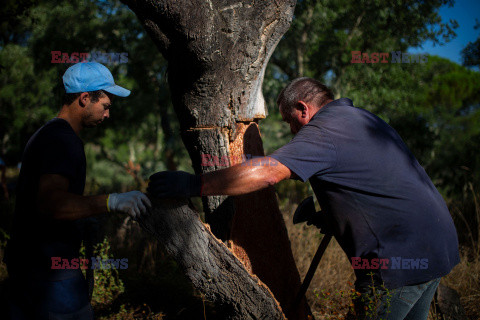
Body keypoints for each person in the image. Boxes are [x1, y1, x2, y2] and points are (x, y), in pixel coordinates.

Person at [147, 77, 460, 320]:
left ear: (302, 109)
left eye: (289, 121)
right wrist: (336, 215)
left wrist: (194, 184)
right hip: (437, 247)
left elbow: (269, 172)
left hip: (397, 263)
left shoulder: (324, 131)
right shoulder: (365, 119)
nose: (293, 131)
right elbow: (380, 180)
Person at [5, 62, 151, 319]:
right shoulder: (63, 140)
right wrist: (113, 201)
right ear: (85, 98)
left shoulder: (46, 133)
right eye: (105, 106)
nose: (107, 115)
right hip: (51, 274)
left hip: (28, 267)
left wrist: (82, 218)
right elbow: (51, 204)